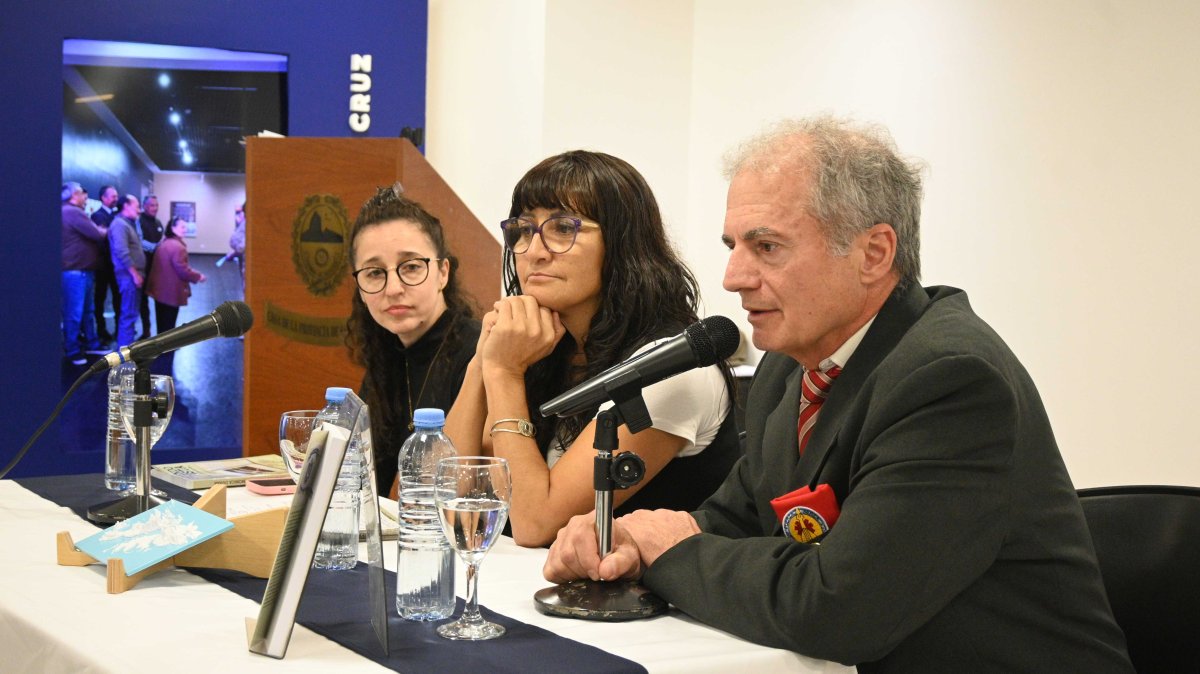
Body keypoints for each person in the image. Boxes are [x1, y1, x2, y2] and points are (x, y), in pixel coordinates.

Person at [543, 118, 1133, 672]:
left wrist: (666, 551)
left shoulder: (951, 380)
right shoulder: (789, 365)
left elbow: (840, 608)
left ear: (873, 253)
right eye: (732, 246)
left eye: (766, 247)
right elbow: (737, 517)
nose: (733, 277)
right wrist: (629, 538)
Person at [445, 151, 741, 548]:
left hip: (653, 587)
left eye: (562, 228)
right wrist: (483, 361)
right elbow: (446, 491)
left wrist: (503, 372)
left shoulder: (673, 366)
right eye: (524, 230)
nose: (534, 252)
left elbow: (536, 525)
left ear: (623, 244)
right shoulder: (547, 346)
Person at [345, 186, 481, 496]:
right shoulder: (387, 356)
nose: (393, 288)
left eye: (411, 267)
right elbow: (363, 485)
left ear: (443, 272)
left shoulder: (479, 352)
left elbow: (461, 490)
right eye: (374, 272)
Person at [61, 181, 107, 365]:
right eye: (82, 193)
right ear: (74, 195)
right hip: (75, 273)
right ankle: (72, 350)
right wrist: (102, 230)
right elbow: (96, 234)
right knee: (75, 313)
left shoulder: (68, 211)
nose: (85, 197)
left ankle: (91, 343)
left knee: (86, 311)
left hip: (81, 272)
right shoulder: (72, 212)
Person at [145, 216, 206, 334]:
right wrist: (199, 276)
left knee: (161, 323)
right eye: (182, 227)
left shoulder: (164, 243)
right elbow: (183, 270)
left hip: (160, 291)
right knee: (169, 324)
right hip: (170, 293)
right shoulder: (178, 247)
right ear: (173, 228)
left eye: (185, 227)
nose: (185, 230)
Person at [107, 194, 145, 347]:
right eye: (137, 206)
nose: (139, 210)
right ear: (126, 206)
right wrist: (135, 274)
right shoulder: (119, 225)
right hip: (128, 276)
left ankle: (126, 347)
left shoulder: (127, 224)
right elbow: (121, 252)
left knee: (131, 313)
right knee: (128, 315)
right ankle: (124, 353)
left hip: (131, 275)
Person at [91, 185, 120, 343]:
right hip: (102, 265)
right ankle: (101, 331)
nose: (116, 199)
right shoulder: (97, 216)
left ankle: (119, 329)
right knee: (100, 299)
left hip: (116, 265)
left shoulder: (116, 215)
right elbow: (104, 238)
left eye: (116, 196)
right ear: (103, 198)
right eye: (112, 196)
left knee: (118, 298)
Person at [136, 196, 165, 337]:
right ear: (144, 206)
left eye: (156, 205)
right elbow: (139, 241)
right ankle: (146, 330)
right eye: (152, 205)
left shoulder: (158, 222)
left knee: (160, 299)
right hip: (143, 267)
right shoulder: (139, 221)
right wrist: (156, 247)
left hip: (157, 268)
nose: (155, 208)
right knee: (143, 301)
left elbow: (162, 240)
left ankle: (162, 333)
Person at [218, 201, 246, 293]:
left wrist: (233, 254)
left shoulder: (251, 224)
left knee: (247, 287)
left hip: (247, 262)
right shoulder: (245, 222)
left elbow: (242, 246)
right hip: (243, 259)